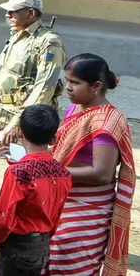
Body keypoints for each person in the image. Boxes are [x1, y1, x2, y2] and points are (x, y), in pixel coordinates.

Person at [0, 0, 65, 229]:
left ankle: (22, 221)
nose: (8, 15)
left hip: (25, 118)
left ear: (31, 13)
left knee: (24, 171)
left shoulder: (48, 42)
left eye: (14, 11)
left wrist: (19, 122)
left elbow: (44, 87)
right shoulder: (15, 36)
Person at [48, 54, 133, 276]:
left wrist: (50, 170)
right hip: (63, 199)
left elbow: (102, 173)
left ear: (96, 86)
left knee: (68, 264)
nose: (67, 88)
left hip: (88, 209)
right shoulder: (75, 109)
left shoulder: (107, 121)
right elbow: (62, 151)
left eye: (74, 83)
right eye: (67, 81)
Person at [0, 105, 71, 276]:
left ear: (20, 133)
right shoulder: (63, 173)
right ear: (53, 140)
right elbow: (57, 213)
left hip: (18, 244)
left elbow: (4, 216)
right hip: (42, 244)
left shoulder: (18, 172)